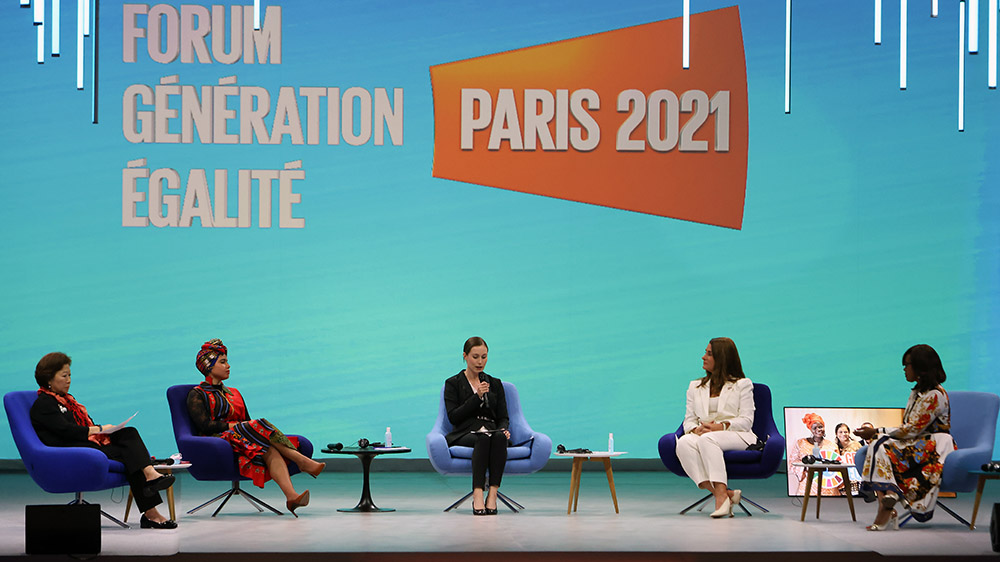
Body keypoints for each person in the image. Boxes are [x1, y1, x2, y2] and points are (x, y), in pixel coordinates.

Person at [29, 352, 177, 529]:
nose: (69, 380)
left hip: (84, 443)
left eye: (70, 375)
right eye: (64, 376)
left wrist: (106, 430)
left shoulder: (68, 401)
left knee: (129, 433)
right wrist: (99, 429)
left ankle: (149, 476)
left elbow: (82, 425)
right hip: (69, 450)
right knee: (130, 455)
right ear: (49, 379)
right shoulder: (44, 404)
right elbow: (66, 431)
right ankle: (151, 507)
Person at [185, 339, 325, 516]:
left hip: (243, 436)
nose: (228, 366)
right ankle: (301, 461)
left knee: (268, 447)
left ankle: (292, 497)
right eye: (223, 362)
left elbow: (248, 421)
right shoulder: (197, 394)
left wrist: (242, 426)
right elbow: (204, 425)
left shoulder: (234, 393)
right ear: (208, 367)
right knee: (258, 425)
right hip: (218, 440)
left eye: (227, 361)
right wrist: (235, 425)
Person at [854, 344, 955, 531]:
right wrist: (877, 434)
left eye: (907, 365)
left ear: (921, 368)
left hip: (933, 446)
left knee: (878, 441)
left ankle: (886, 507)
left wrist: (876, 431)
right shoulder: (917, 393)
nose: (904, 370)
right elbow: (908, 430)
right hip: (915, 443)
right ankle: (886, 502)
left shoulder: (935, 395)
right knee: (877, 443)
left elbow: (911, 430)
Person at [675, 337, 755, 518]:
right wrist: (695, 430)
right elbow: (689, 420)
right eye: (705, 352)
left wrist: (720, 426)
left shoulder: (743, 384)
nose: (703, 357)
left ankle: (721, 500)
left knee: (708, 439)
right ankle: (723, 494)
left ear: (722, 358)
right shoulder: (695, 386)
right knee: (684, 442)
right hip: (705, 434)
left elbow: (746, 421)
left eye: (709, 354)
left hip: (738, 434)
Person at [443, 336, 510, 515]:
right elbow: (454, 417)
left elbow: (503, 416)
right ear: (465, 356)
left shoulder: (495, 383)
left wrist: (503, 428)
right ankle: (478, 493)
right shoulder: (453, 383)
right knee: (483, 438)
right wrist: (477, 397)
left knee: (498, 437)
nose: (480, 362)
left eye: (484, 357)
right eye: (475, 357)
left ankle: (493, 494)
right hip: (466, 431)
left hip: (491, 429)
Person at [788, 412, 839, 496]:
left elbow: (838, 465)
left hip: (828, 487)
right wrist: (806, 466)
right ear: (810, 430)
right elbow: (792, 463)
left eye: (820, 427)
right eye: (814, 428)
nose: (818, 430)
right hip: (808, 485)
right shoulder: (801, 443)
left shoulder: (832, 445)